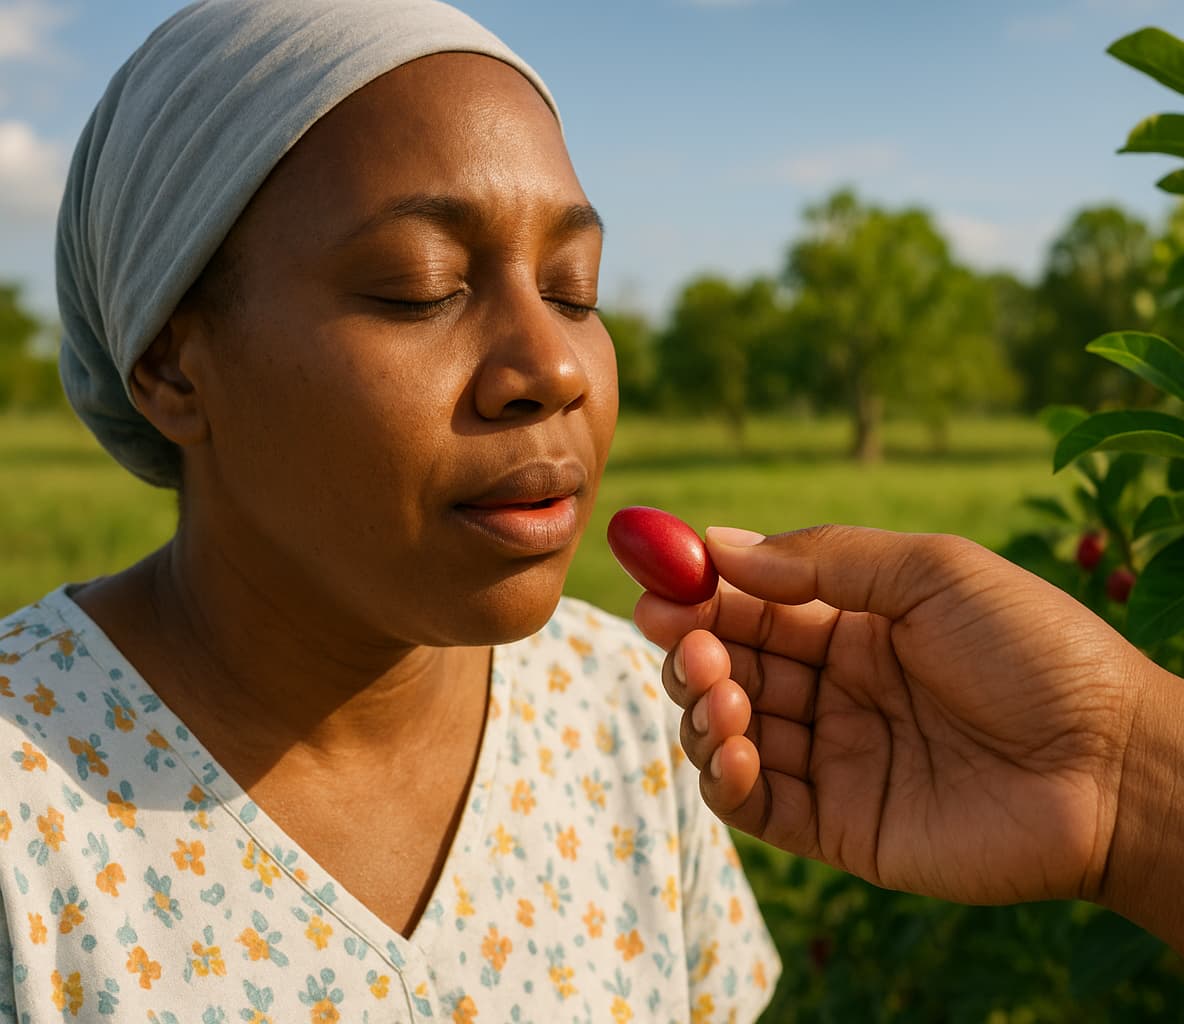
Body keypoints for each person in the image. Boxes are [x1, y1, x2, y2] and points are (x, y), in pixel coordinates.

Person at [1, 1, 779, 1019]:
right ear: (171, 368)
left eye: (574, 290)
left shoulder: (632, 716)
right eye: (421, 288)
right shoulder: (28, 812)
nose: (550, 365)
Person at [633, 524, 1184, 1023]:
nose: (554, 366)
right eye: (476, 285)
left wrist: (1117, 766)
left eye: (575, 294)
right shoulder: (626, 720)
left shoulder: (617, 723)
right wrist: (1118, 779)